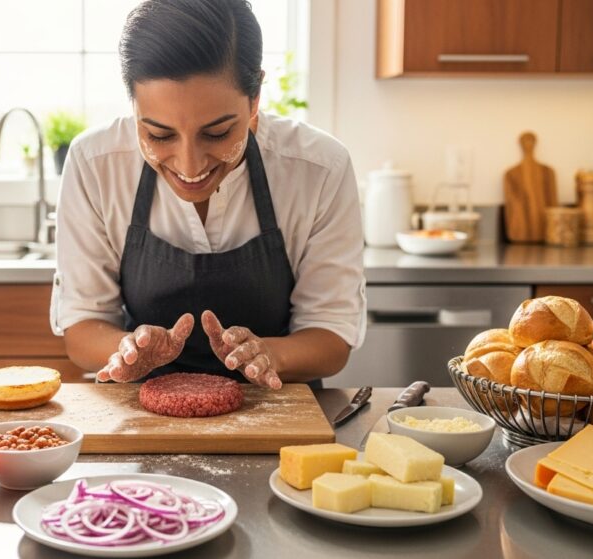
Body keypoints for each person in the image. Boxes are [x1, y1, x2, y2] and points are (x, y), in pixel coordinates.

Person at [49, 0, 365, 390]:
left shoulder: (318, 168)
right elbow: (82, 328)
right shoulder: (95, 162)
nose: (190, 165)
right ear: (133, 105)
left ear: (255, 98)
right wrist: (127, 351)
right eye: (159, 135)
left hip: (280, 404)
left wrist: (270, 355)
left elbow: (331, 338)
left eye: (217, 133)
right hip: (138, 409)